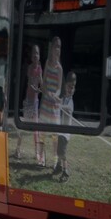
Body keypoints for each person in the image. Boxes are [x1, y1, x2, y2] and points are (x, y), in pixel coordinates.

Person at [36, 37, 64, 168]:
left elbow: (59, 88)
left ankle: (55, 161)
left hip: (54, 107)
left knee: (54, 136)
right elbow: (44, 80)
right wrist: (46, 92)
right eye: (56, 46)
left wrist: (55, 95)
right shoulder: (47, 62)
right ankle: (41, 159)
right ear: (51, 48)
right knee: (41, 133)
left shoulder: (60, 68)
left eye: (59, 47)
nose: (58, 49)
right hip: (45, 105)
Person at [52, 71, 76, 181]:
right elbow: (58, 99)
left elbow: (68, 109)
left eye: (72, 87)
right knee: (58, 150)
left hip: (66, 133)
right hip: (60, 130)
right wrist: (55, 98)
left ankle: (66, 172)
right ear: (65, 86)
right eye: (69, 86)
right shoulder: (64, 97)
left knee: (62, 152)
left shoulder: (70, 101)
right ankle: (59, 167)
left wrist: (60, 104)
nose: (70, 89)